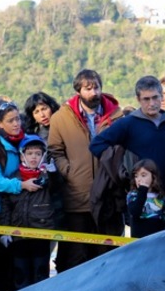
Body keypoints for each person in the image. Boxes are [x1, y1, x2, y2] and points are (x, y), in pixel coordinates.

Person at [48, 69, 123, 272]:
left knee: (108, 253)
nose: (94, 92)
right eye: (88, 89)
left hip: (109, 194)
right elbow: (55, 150)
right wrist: (68, 171)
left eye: (97, 87)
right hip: (76, 195)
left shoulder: (117, 116)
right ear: (78, 91)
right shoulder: (61, 118)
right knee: (76, 253)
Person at [0, 100, 42, 291]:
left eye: (17, 119)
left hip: (24, 213)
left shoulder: (26, 144)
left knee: (21, 265)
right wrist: (20, 185)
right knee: (1, 266)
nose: (16, 123)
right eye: (10, 120)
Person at [90, 75, 165, 194]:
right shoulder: (128, 123)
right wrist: (121, 172)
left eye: (155, 97)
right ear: (138, 99)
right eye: (146, 99)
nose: (152, 103)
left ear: (161, 97)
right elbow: (97, 144)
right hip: (142, 196)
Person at [0, 135, 61, 291]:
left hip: (41, 233)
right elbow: (6, 207)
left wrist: (53, 174)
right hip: (18, 234)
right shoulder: (15, 179)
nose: (34, 157)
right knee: (20, 274)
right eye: (30, 153)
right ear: (22, 155)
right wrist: (4, 230)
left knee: (41, 273)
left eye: (38, 153)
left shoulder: (47, 177)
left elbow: (57, 191)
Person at [126, 159, 165, 238]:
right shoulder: (132, 195)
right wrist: (142, 191)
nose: (139, 179)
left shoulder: (160, 196)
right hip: (139, 240)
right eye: (136, 176)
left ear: (153, 176)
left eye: (143, 175)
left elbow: (164, 217)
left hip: (156, 238)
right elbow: (135, 212)